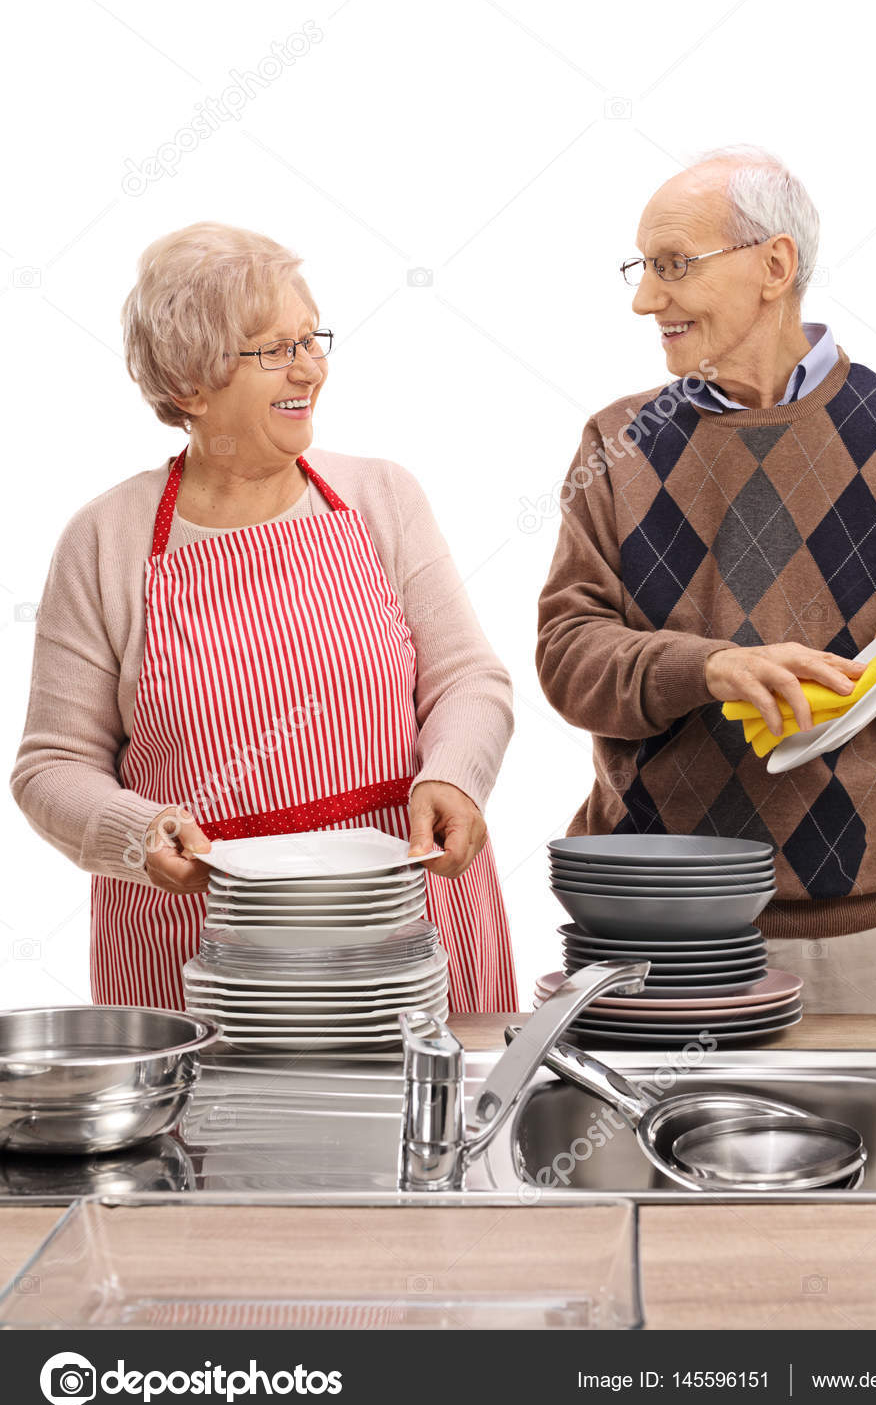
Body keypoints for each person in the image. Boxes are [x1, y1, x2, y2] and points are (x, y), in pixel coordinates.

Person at [536, 146, 876, 1012]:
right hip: (650, 919)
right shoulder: (617, 439)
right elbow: (568, 661)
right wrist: (707, 668)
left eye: (673, 266)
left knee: (859, 1148)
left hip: (847, 934)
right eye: (642, 269)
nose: (646, 298)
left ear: (774, 266)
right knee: (634, 1149)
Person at [12, 222, 517, 1013]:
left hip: (398, 917)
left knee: (422, 1133)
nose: (310, 367)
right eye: (274, 349)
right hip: (203, 940)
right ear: (190, 384)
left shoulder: (381, 497)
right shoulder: (106, 539)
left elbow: (467, 678)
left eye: (311, 339)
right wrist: (136, 831)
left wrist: (454, 774)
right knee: (215, 1138)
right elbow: (51, 767)